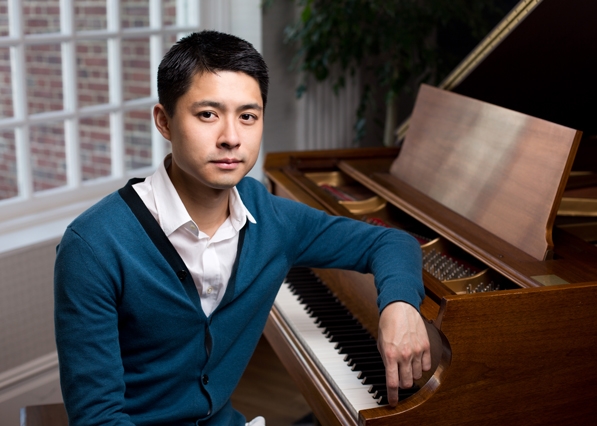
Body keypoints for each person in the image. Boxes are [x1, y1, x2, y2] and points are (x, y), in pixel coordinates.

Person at [54, 30, 431, 426]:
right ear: (164, 122)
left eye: (248, 116)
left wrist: (400, 304)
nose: (231, 138)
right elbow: (99, 418)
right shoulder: (92, 246)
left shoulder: (270, 217)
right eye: (208, 115)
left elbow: (390, 242)